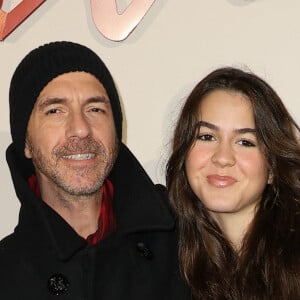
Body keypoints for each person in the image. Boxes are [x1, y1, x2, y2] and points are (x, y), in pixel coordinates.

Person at [0, 41, 190, 300]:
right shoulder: (7, 272)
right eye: (55, 111)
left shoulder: (186, 238)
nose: (80, 128)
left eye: (95, 109)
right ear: (26, 142)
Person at [166, 67, 300, 299]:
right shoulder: (161, 257)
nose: (223, 158)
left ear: (272, 167)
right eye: (206, 137)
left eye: (245, 142)